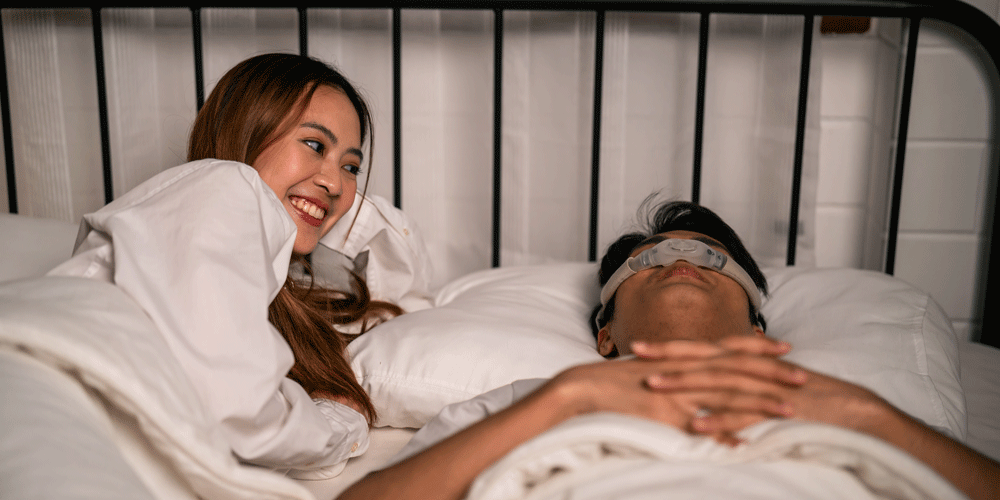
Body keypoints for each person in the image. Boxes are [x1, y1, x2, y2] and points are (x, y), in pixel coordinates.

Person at [338, 200, 1000, 500]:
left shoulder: (856, 408)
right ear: (605, 334)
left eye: (710, 258)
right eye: (650, 260)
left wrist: (861, 416)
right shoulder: (530, 403)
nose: (680, 261)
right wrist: (571, 396)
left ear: (757, 331)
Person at [47, 53, 431, 477]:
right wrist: (343, 421)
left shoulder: (276, 288)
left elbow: (405, 296)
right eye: (315, 145)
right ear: (246, 132)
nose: (337, 184)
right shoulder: (220, 186)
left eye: (351, 167)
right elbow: (241, 414)